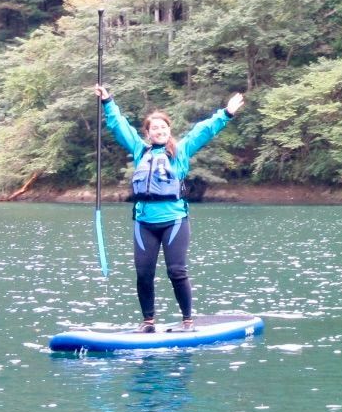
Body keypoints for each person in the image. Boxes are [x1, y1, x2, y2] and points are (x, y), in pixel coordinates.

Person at [95, 85, 244, 332]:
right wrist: (107, 101)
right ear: (148, 133)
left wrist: (226, 113)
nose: (160, 131)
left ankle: (187, 320)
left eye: (163, 127)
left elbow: (204, 131)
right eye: (155, 128)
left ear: (169, 130)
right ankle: (148, 322)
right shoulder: (139, 149)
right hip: (144, 222)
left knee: (176, 271)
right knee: (143, 274)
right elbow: (119, 126)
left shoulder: (181, 151)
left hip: (174, 220)